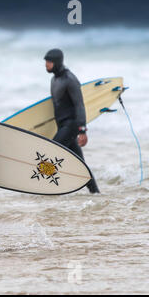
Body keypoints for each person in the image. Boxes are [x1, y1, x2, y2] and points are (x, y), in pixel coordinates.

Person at [44, 48, 100, 193]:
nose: (46, 65)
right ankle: (95, 192)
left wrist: (82, 130)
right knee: (80, 163)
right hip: (62, 125)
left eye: (49, 62)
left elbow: (79, 105)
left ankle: (47, 189)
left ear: (56, 62)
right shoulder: (54, 79)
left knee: (51, 151)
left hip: (71, 125)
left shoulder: (70, 80)